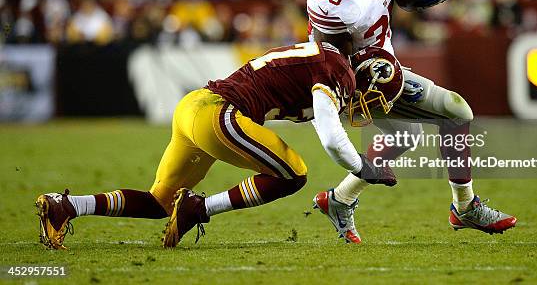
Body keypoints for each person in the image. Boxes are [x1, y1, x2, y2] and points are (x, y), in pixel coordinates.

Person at [35, 42, 403, 249]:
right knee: (294, 173)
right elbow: (331, 136)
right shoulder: (336, 69)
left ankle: (65, 205)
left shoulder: (330, 62)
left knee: (160, 203)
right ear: (366, 75)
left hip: (196, 109)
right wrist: (363, 168)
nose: (365, 107)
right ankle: (199, 208)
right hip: (218, 113)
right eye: (372, 98)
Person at [307, 0, 516, 243]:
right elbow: (326, 60)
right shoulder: (331, 0)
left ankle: (338, 200)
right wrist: (351, 92)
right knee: (457, 112)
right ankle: (464, 207)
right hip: (356, 76)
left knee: (406, 135)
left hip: (383, 60)